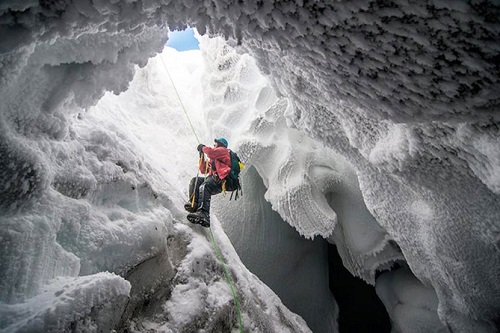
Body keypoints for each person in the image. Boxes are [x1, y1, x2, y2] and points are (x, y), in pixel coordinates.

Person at [185, 137, 231, 227]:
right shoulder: (215, 159)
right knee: (195, 181)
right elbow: (203, 170)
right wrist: (201, 154)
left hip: (220, 180)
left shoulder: (224, 151)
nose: (214, 145)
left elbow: (210, 152)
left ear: (220, 144)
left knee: (205, 185)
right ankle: (194, 205)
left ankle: (204, 214)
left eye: (215, 143)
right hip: (214, 179)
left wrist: (203, 147)